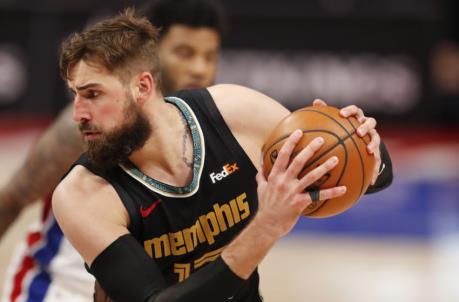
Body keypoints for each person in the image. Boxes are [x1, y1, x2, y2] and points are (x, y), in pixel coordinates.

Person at [52, 10, 393, 302]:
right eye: (75, 96)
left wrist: (367, 150)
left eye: (93, 94)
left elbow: (364, 172)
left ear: (141, 87)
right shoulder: (83, 194)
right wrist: (266, 228)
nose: (78, 113)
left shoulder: (234, 113)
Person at [0, 0, 225, 301]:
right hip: (62, 289)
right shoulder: (86, 126)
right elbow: (12, 199)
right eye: (184, 53)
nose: (199, 69)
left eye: (209, 56)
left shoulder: (210, 124)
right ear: (150, 55)